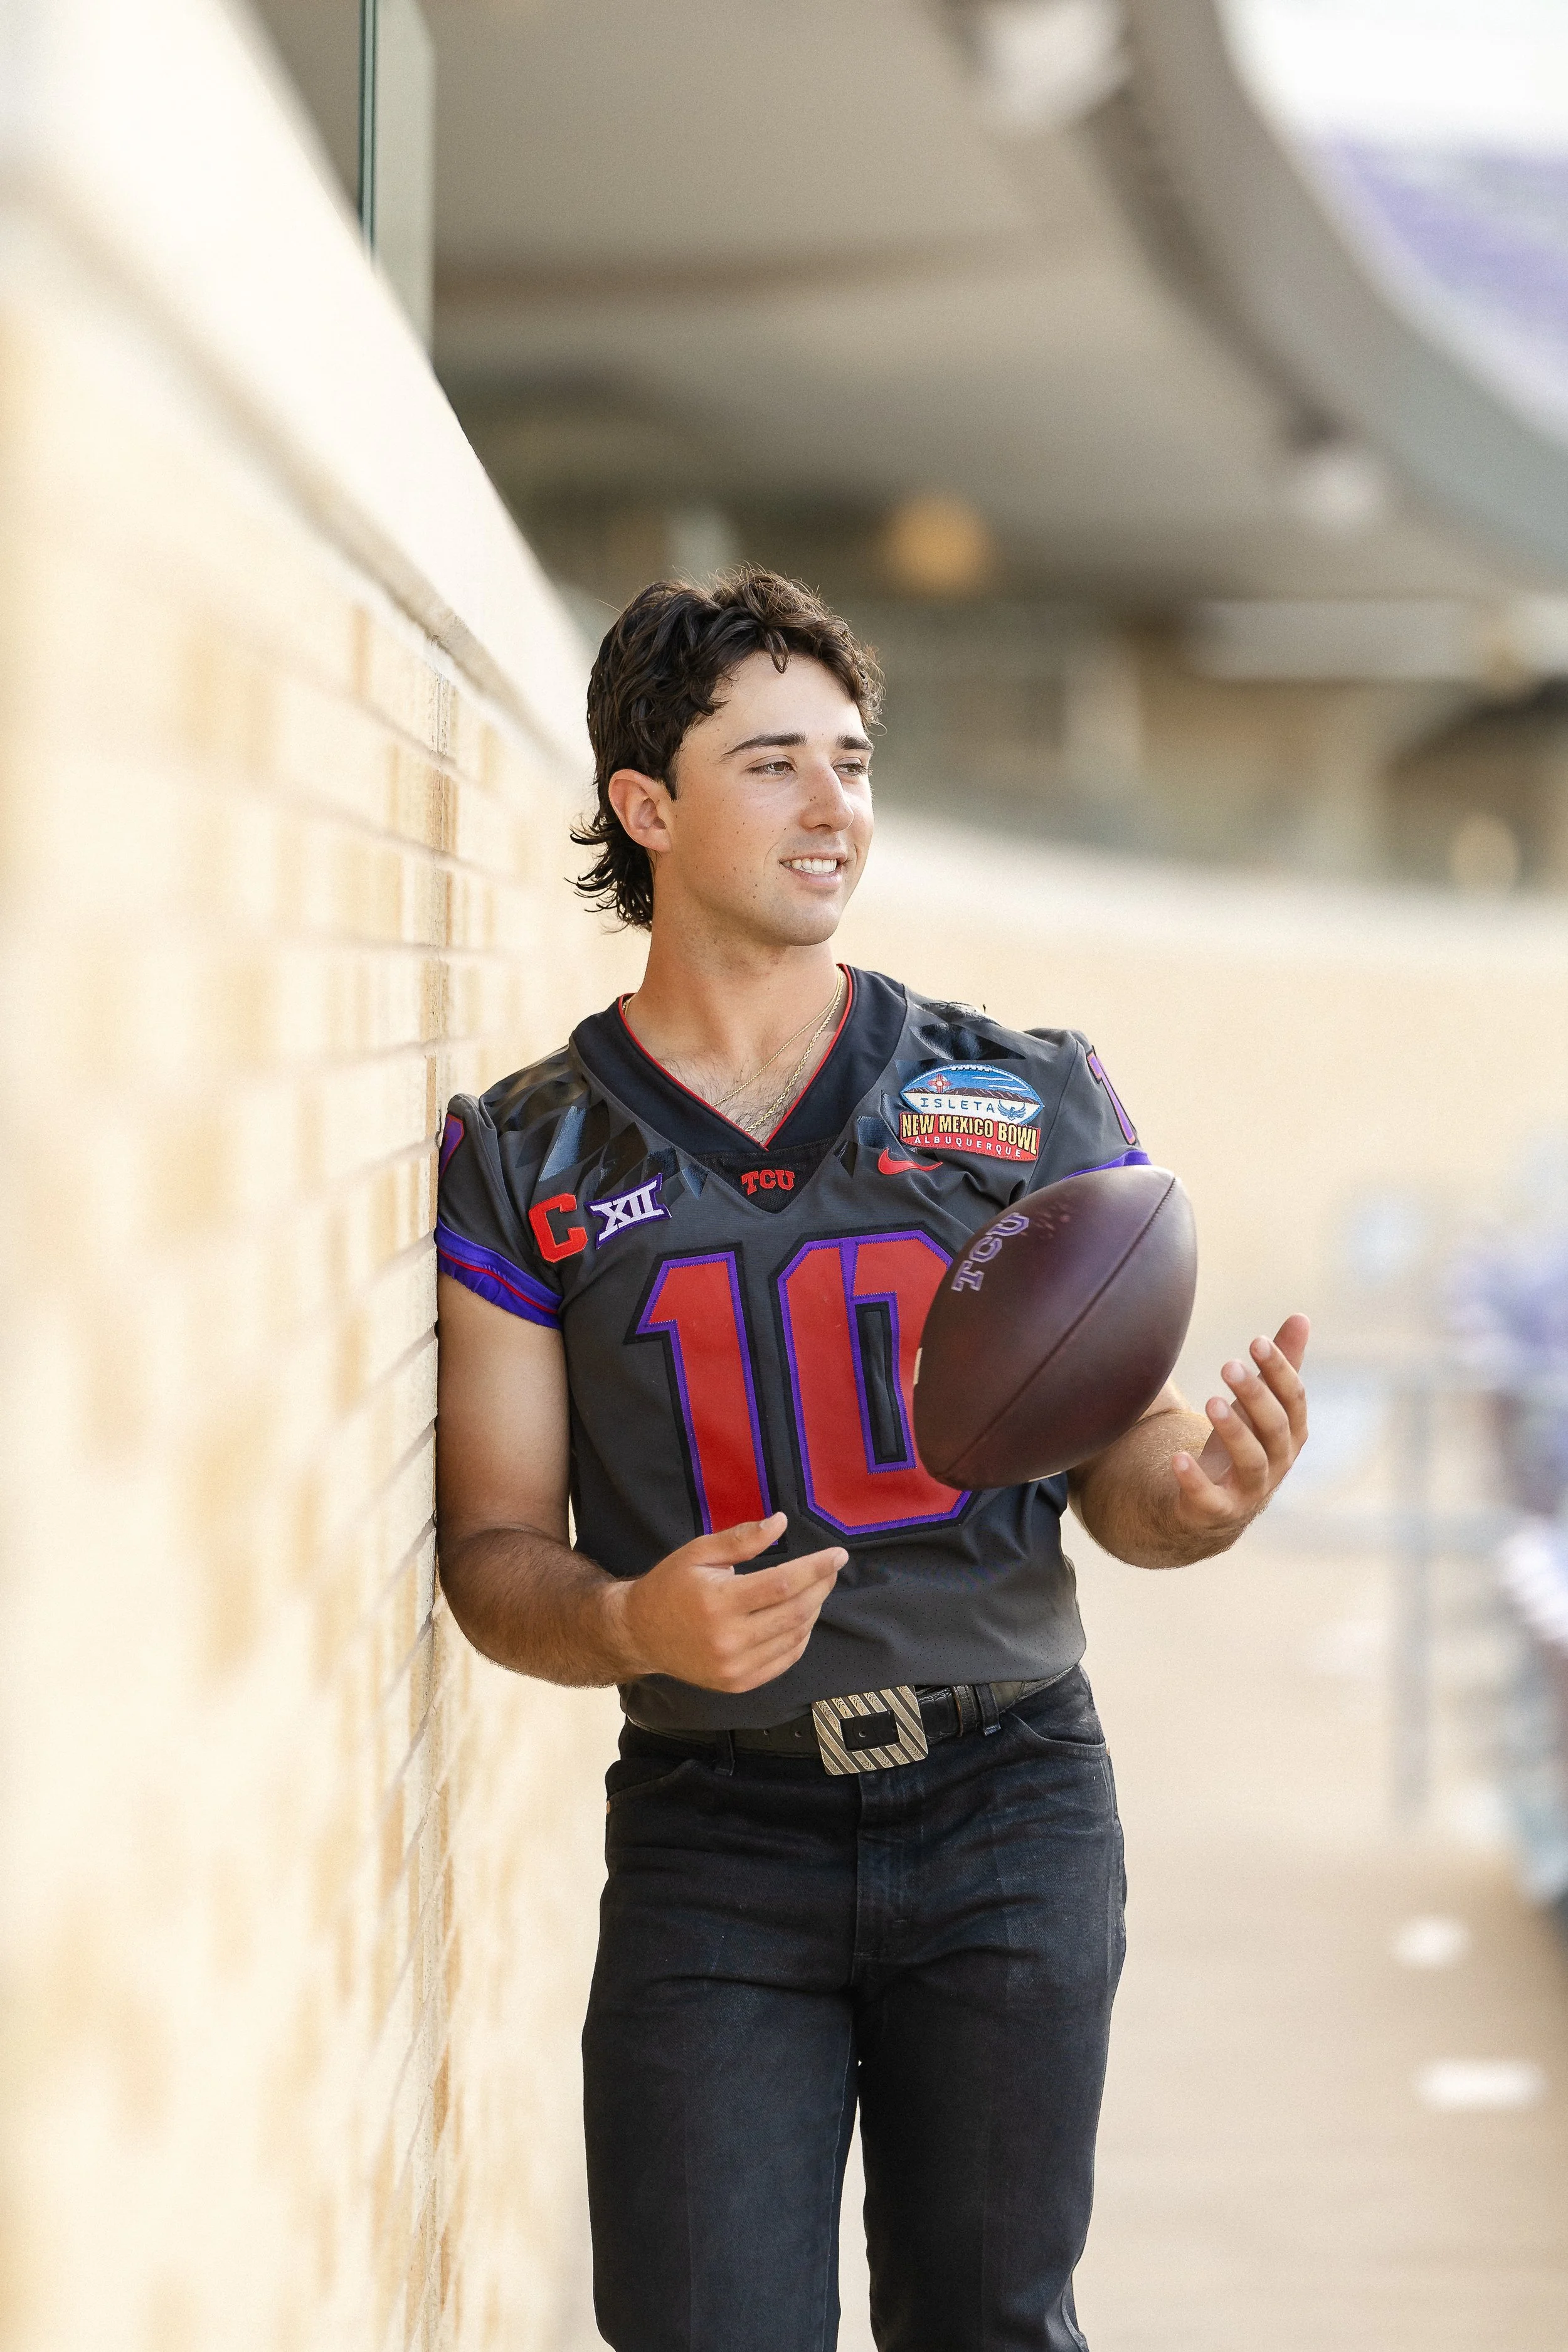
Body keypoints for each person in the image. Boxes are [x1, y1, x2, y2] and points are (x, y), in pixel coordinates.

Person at [435, 568, 1309, 2352]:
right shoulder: (526, 1152)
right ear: (647, 806)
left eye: (851, 759)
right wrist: (632, 1626)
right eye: (773, 765)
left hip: (1006, 1801)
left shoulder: (1022, 1094)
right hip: (714, 1826)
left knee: (988, 2316)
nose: (835, 807)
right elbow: (494, 1547)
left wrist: (1195, 1497)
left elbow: (1121, 1475)